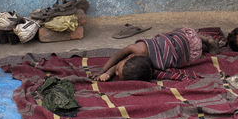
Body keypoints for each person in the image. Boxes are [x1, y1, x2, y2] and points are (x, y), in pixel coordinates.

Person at [93, 27, 221, 82]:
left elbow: (118, 56)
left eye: (116, 71)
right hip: (188, 43)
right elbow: (121, 61)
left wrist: (103, 71)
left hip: (191, 54)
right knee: (175, 37)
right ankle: (204, 40)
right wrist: (109, 73)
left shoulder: (142, 54)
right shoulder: (139, 55)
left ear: (130, 57)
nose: (115, 72)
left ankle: (204, 42)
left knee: (179, 41)